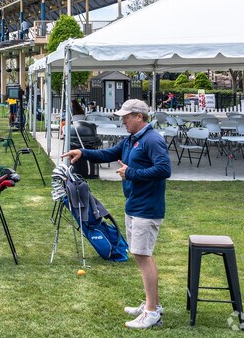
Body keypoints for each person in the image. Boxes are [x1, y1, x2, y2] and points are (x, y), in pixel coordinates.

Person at [61, 99, 171, 329]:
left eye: (126, 116)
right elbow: (109, 154)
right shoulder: (132, 139)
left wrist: (131, 173)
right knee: (140, 254)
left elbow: (164, 170)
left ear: (139, 117)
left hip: (147, 207)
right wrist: (82, 152)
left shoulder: (152, 139)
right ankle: (153, 304)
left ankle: (151, 313)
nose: (122, 120)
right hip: (134, 204)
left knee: (143, 255)